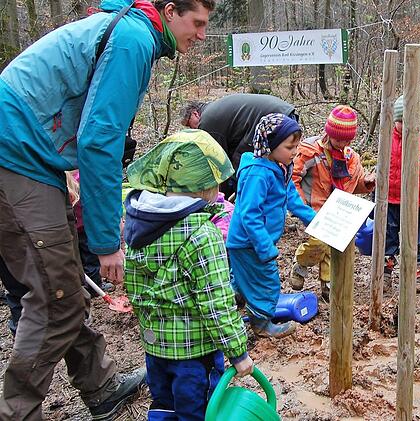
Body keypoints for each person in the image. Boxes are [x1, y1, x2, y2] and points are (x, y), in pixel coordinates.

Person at [0, 0, 214, 417]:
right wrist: (104, 241)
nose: (203, 35)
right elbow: (99, 141)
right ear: (170, 12)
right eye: (198, 22)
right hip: (16, 154)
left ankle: (100, 388)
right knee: (56, 297)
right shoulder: (133, 40)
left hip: (34, 155)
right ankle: (17, 413)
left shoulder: (131, 32)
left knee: (61, 283)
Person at [123, 130, 253, 420]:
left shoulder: (139, 223)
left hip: (155, 349)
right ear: (205, 186)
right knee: (198, 411)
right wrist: (238, 352)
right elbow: (217, 302)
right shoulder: (203, 234)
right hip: (196, 355)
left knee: (163, 404)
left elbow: (133, 288)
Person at [227, 113, 316, 338]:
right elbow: (249, 214)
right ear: (270, 145)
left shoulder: (280, 167)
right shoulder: (259, 174)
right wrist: (265, 248)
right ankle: (261, 323)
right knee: (267, 281)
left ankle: (232, 300)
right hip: (250, 243)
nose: (295, 151)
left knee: (243, 278)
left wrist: (312, 218)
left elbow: (292, 198)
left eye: (296, 146)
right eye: (289, 147)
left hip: (254, 241)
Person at [290, 105, 375, 300]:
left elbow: (355, 182)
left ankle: (328, 283)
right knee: (319, 242)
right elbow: (293, 177)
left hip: (339, 211)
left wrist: (366, 183)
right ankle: (301, 264)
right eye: (338, 138)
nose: (342, 143)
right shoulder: (310, 150)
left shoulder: (351, 157)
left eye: (347, 140)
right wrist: (299, 204)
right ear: (328, 132)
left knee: (333, 246)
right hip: (315, 209)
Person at [180, 93, 298, 195]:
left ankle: (248, 202)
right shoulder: (216, 109)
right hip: (285, 113)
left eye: (190, 124)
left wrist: (221, 194)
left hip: (274, 118)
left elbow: (219, 160)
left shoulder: (207, 120)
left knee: (244, 165)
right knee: (266, 166)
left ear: (195, 114)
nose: (193, 128)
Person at [382, 96, 420, 292]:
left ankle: (417, 272)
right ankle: (386, 270)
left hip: (413, 202)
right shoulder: (386, 140)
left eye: (409, 122)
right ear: (394, 121)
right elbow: (381, 170)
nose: (405, 126)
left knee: (416, 237)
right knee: (388, 236)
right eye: (401, 122)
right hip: (390, 200)